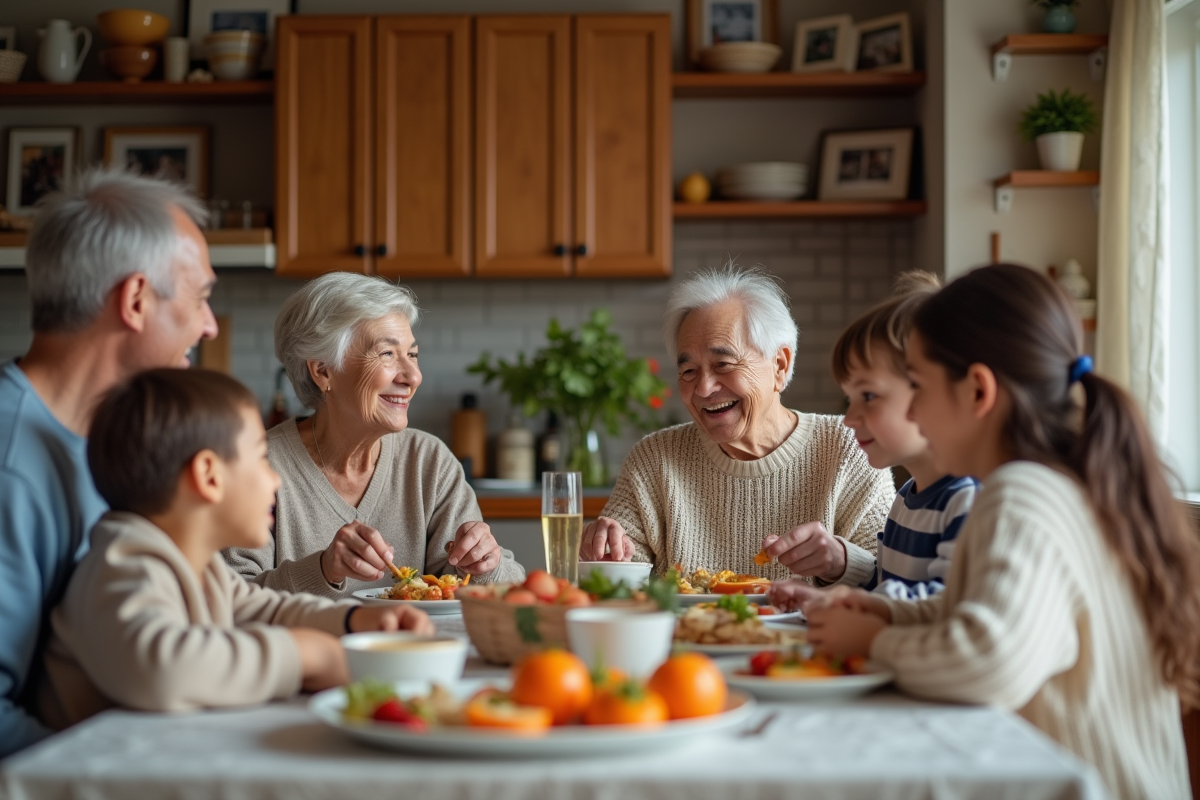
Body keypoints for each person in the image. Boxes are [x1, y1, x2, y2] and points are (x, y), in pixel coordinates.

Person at [804, 264, 1200, 800]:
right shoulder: (1050, 487)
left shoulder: (1024, 497)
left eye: (917, 386)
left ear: (978, 392)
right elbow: (971, 609)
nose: (914, 411)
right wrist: (888, 611)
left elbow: (988, 660)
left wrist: (876, 641)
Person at [39, 369, 434, 729]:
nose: (275, 481)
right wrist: (306, 656)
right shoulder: (123, 563)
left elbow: (267, 609)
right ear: (209, 477)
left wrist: (355, 622)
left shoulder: (198, 567)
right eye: (262, 460)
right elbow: (162, 668)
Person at [0, 168, 219, 758]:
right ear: (137, 300)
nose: (209, 325)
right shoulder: (10, 465)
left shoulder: (110, 443)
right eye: (200, 297)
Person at [580, 263, 894, 585]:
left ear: (780, 365)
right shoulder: (654, 459)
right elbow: (614, 587)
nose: (703, 388)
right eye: (689, 371)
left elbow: (893, 583)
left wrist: (842, 563)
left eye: (723, 364)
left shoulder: (848, 447)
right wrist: (606, 554)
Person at [226, 272, 524, 598]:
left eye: (412, 354)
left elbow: (513, 591)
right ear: (323, 370)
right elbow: (227, 602)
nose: (413, 376)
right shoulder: (256, 466)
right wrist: (323, 569)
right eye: (387, 354)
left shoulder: (428, 462)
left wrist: (486, 564)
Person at [771, 272, 978, 608]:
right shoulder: (907, 499)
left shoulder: (968, 500)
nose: (850, 418)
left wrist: (837, 605)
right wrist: (826, 588)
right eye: (849, 399)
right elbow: (890, 587)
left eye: (868, 396)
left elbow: (942, 608)